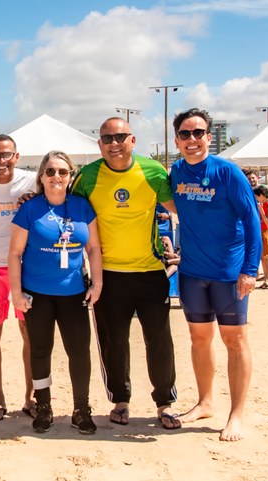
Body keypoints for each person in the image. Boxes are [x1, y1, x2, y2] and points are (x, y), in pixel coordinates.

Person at [71, 117, 181, 429]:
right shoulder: (88, 176)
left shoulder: (153, 171)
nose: (114, 143)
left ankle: (164, 402)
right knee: (113, 341)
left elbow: (180, 208)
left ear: (132, 140)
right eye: (107, 138)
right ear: (99, 144)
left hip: (149, 271)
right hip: (107, 274)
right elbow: (68, 210)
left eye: (121, 137)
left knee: (159, 339)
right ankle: (120, 400)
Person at [170, 108, 262, 442]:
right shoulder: (176, 172)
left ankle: (236, 414)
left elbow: (252, 221)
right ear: (177, 139)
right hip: (192, 273)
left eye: (198, 133)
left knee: (235, 340)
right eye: (185, 134)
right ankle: (205, 402)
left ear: (209, 136)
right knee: (199, 338)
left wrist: (250, 271)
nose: (192, 140)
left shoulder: (228, 173)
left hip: (228, 273)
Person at [9, 151, 102, 435]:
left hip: (73, 293)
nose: (56, 177)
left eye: (62, 172)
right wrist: (16, 292)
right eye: (50, 172)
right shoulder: (29, 209)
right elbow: (14, 253)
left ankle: (81, 409)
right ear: (41, 176)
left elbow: (95, 248)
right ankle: (44, 406)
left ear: (70, 176)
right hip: (37, 294)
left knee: (79, 352)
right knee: (40, 351)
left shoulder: (82, 207)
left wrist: (97, 283)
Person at [0, 134, 37, 422]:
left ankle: (32, 396)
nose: (2, 160)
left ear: (17, 156)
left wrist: (35, 198)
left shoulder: (33, 180)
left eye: (7, 154)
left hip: (27, 268)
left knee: (31, 334)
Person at [254, 185, 268, 288]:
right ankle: (267, 279)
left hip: (266, 231)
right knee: (263, 257)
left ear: (262, 195)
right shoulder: (262, 204)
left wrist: (261, 211)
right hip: (260, 231)